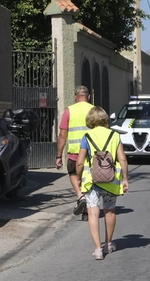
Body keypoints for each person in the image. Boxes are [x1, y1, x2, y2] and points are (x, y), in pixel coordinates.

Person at [73, 107, 129, 260]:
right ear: (105, 119)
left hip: (92, 182)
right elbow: (122, 159)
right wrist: (125, 178)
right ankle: (108, 244)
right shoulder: (115, 135)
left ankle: (98, 249)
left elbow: (79, 162)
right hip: (111, 181)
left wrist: (78, 178)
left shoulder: (87, 137)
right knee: (110, 211)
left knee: (93, 213)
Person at [53, 86, 95, 217]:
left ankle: (80, 195)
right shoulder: (94, 110)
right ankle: (88, 209)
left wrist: (59, 156)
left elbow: (62, 135)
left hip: (74, 153)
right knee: (89, 179)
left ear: (75, 97)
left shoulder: (69, 111)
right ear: (88, 97)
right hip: (91, 153)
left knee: (73, 173)